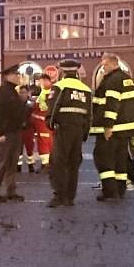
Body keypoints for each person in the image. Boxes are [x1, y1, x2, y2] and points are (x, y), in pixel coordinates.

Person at [91, 53, 134, 200]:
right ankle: (120, 190)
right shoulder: (126, 79)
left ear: (112, 64)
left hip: (113, 128)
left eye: (105, 65)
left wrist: (108, 126)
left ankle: (109, 191)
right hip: (125, 129)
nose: (103, 68)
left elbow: (112, 104)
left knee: (103, 158)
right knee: (120, 160)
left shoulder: (112, 80)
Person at [45, 59, 91, 207]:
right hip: (78, 130)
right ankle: (70, 197)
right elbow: (89, 114)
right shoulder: (85, 89)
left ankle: (59, 195)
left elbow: (53, 107)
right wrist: (85, 132)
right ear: (76, 71)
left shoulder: (60, 86)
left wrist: (50, 124)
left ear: (63, 72)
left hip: (63, 129)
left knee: (58, 162)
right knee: (73, 163)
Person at [0, 65, 26, 203]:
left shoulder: (13, 92)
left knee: (12, 163)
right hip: (6, 133)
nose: (18, 77)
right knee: (2, 163)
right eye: (16, 74)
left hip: (15, 132)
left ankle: (11, 191)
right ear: (8, 76)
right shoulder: (0, 92)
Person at [33, 73, 55, 173]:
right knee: (46, 143)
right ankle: (47, 164)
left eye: (41, 81)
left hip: (44, 124)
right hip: (43, 123)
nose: (40, 83)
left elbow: (46, 107)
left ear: (47, 81)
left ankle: (46, 165)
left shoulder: (49, 93)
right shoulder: (45, 92)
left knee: (44, 144)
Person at [18, 85, 37, 173]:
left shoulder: (31, 105)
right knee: (18, 149)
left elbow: (33, 116)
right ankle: (18, 166)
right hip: (18, 129)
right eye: (21, 92)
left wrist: (28, 123)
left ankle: (30, 165)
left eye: (24, 93)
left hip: (29, 129)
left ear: (28, 93)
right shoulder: (16, 104)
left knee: (30, 148)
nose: (22, 95)